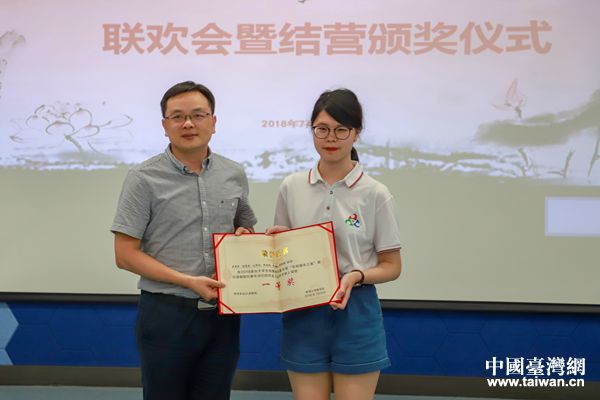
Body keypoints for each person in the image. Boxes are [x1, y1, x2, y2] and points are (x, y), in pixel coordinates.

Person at [111, 81, 256, 400]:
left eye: (198, 115)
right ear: (165, 126)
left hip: (222, 314)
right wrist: (187, 281)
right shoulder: (143, 178)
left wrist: (245, 239)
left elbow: (243, 227)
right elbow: (125, 255)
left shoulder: (233, 173)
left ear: (214, 122)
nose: (188, 124)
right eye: (178, 116)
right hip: (167, 313)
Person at [267, 88, 402, 400]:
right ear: (312, 130)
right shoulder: (291, 187)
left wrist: (356, 276)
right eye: (322, 129)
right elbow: (282, 258)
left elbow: (392, 266)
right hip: (303, 312)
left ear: (357, 133)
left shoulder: (375, 193)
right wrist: (275, 244)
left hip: (356, 312)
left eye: (341, 130)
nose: (331, 138)